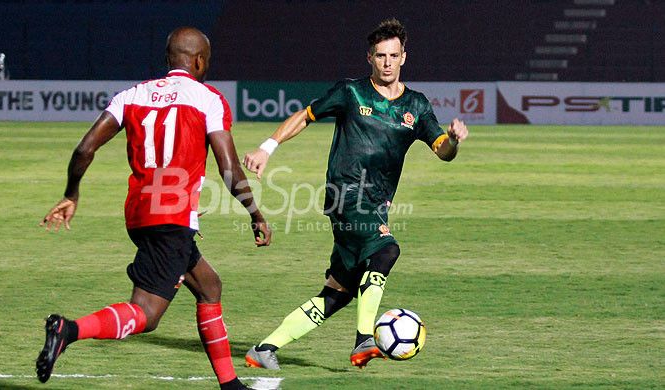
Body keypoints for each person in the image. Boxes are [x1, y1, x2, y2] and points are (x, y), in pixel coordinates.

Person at [36, 27, 271, 390]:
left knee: (209, 286)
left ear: (168, 59)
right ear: (199, 61)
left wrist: (72, 194)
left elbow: (84, 149)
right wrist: (254, 212)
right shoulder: (209, 98)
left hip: (140, 212)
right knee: (147, 314)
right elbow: (228, 167)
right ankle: (69, 330)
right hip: (171, 216)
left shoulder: (131, 95)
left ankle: (230, 384)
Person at [242, 18, 468, 370]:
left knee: (339, 292)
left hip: (376, 205)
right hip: (345, 195)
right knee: (387, 249)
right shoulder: (351, 92)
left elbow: (442, 150)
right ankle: (364, 339)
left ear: (404, 57)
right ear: (370, 58)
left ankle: (265, 348)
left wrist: (452, 140)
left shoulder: (417, 106)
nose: (388, 62)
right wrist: (266, 147)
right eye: (381, 56)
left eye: (394, 55)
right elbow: (305, 116)